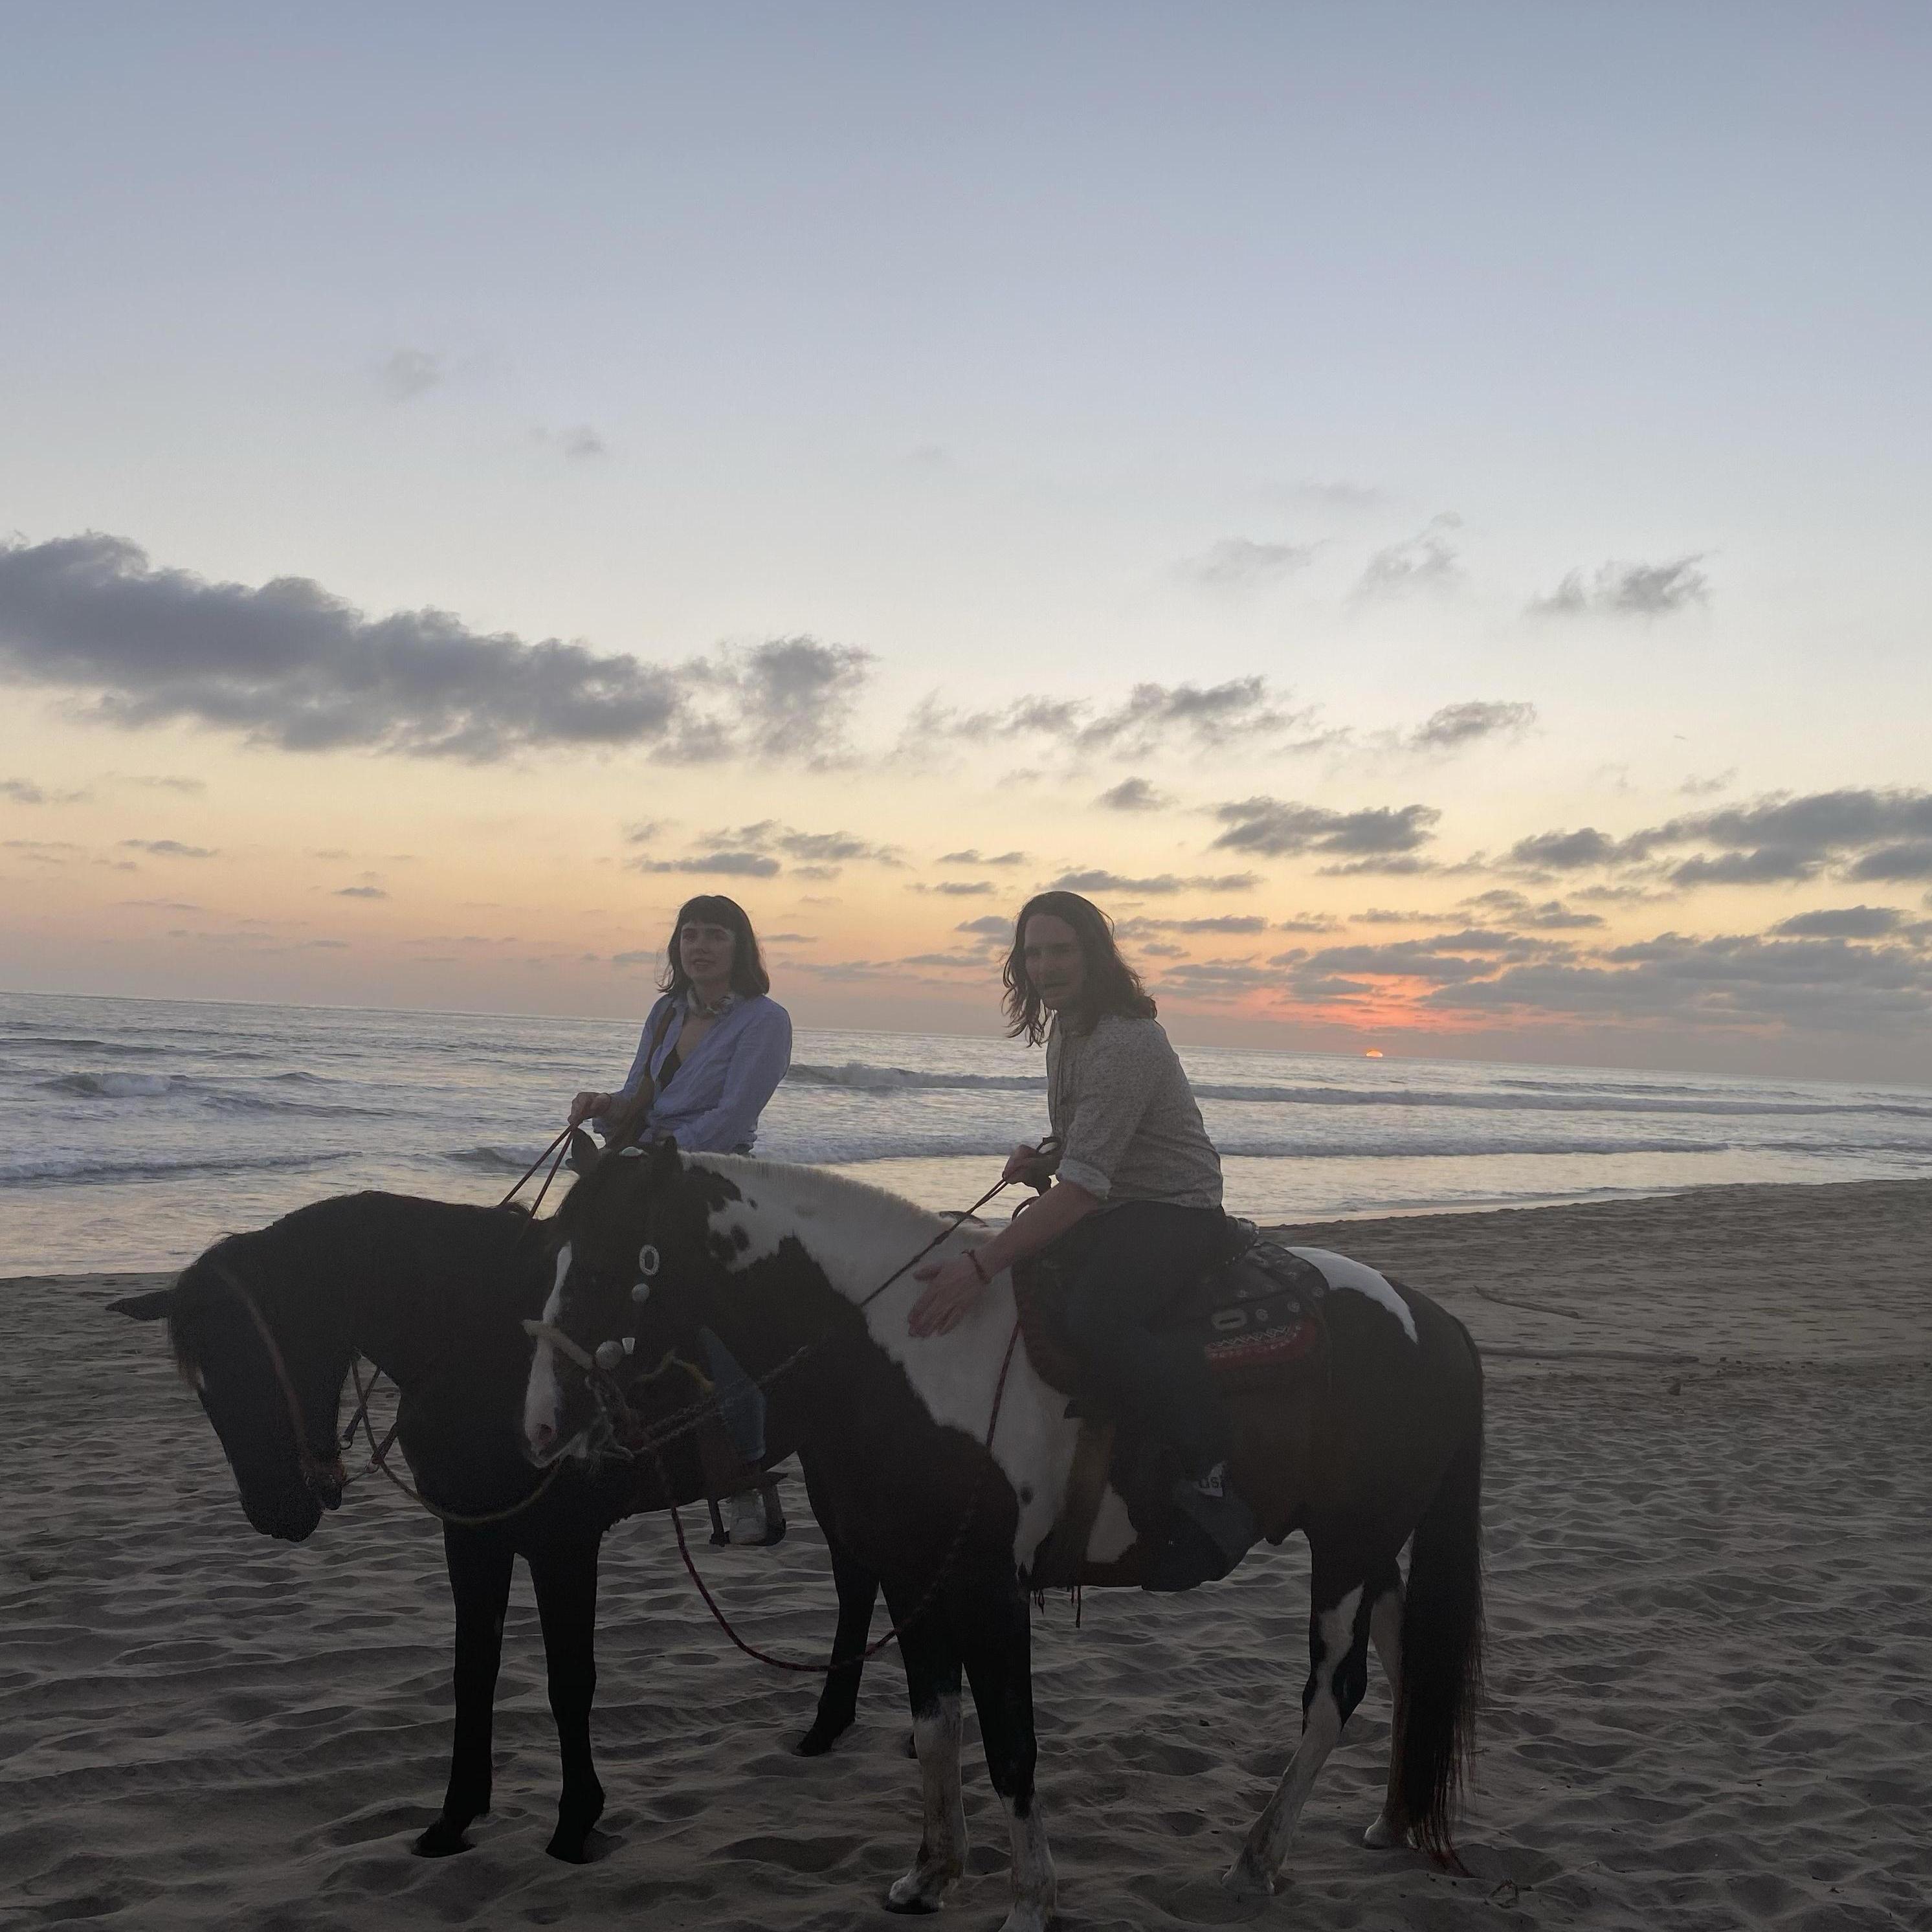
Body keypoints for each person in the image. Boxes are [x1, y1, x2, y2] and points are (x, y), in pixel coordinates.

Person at [905, 889, 1257, 1590]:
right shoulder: (1068, 1031)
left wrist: (978, 1266)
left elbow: (1084, 1191)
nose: (1045, 966)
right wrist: (1045, 1156)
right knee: (1029, 1285)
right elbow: (1090, 1143)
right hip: (1116, 1202)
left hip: (1175, 1209)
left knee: (1095, 1316)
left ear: (1094, 955)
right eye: (1033, 953)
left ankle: (1211, 1468)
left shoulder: (1126, 1040)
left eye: (1060, 950)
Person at [568, 894, 793, 1544]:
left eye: (714, 935)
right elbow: (638, 1095)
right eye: (689, 934)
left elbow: (733, 1115)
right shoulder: (666, 1011)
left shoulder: (765, 1021)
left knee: (721, 1319)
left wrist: (653, 1155)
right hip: (644, 1167)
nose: (700, 946)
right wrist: (603, 1105)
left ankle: (746, 1473)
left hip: (713, 1175)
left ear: (739, 946)